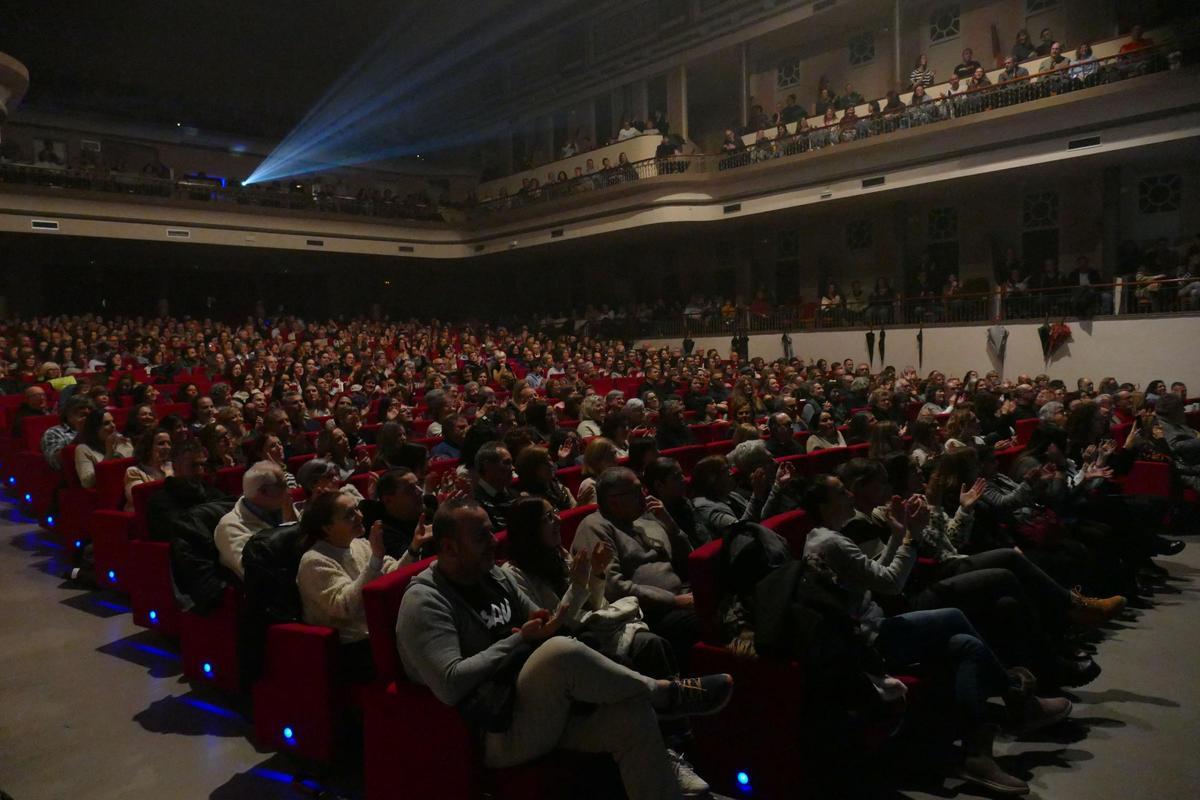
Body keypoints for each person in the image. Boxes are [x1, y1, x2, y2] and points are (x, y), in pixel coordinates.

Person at [396, 497, 732, 800]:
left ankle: (662, 736)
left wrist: (585, 580)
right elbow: (450, 684)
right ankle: (664, 693)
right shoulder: (426, 600)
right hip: (495, 729)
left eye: (491, 533)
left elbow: (552, 623)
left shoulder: (495, 576)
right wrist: (518, 640)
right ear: (449, 548)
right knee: (559, 651)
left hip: (541, 704)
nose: (494, 544)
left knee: (633, 715)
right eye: (481, 537)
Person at [802, 475, 1071, 796]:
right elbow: (890, 583)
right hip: (867, 643)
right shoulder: (832, 542)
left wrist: (900, 535)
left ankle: (976, 755)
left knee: (966, 645)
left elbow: (871, 575)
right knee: (956, 616)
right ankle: (1016, 696)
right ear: (823, 505)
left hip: (870, 629)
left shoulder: (824, 537)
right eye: (840, 491)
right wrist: (911, 540)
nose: (848, 495)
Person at [571, 468, 700, 667]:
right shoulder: (595, 526)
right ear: (614, 500)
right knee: (703, 619)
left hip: (682, 594)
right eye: (637, 491)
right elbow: (613, 587)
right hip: (647, 613)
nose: (645, 495)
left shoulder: (644, 518)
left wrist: (670, 524)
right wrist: (674, 601)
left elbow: (687, 558)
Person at [297, 491, 403, 663]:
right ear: (327, 527)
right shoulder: (314, 561)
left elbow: (394, 572)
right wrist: (375, 560)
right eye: (349, 515)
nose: (360, 516)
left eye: (357, 509)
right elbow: (345, 607)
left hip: (378, 631)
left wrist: (414, 547)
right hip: (349, 648)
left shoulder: (359, 545)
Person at [214, 461, 298, 579]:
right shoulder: (230, 527)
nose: (289, 490)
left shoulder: (281, 505)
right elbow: (254, 572)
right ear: (263, 491)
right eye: (283, 485)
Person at [145, 439, 226, 541]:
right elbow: (184, 532)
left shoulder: (211, 492)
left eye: (202, 465)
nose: (200, 472)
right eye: (193, 466)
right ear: (175, 466)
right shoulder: (160, 502)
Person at [73, 408, 133, 488]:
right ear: (95, 428)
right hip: (108, 491)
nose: (113, 425)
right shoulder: (83, 449)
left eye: (113, 421)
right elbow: (87, 482)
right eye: (106, 423)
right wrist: (109, 454)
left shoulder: (122, 443)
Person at [124, 427, 174, 510]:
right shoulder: (134, 471)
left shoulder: (172, 466)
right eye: (161, 443)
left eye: (169, 443)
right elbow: (138, 499)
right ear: (148, 447)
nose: (167, 447)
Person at [515, 445, 577, 511]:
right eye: (544, 463)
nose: (551, 464)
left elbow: (575, 513)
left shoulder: (560, 488)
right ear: (532, 468)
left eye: (550, 460)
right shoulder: (527, 499)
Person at [473, 441, 518, 530]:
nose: (513, 468)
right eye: (507, 462)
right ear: (487, 466)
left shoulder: (515, 495)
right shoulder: (475, 502)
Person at [41, 397, 92, 470]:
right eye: (81, 408)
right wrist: (81, 434)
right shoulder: (54, 432)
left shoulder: (99, 429)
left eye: (90, 408)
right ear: (68, 413)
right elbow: (55, 462)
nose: (87, 411)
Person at [577, 437, 621, 505]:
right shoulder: (590, 484)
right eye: (611, 455)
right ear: (597, 460)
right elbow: (597, 512)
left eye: (615, 454)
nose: (616, 459)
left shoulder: (617, 478)